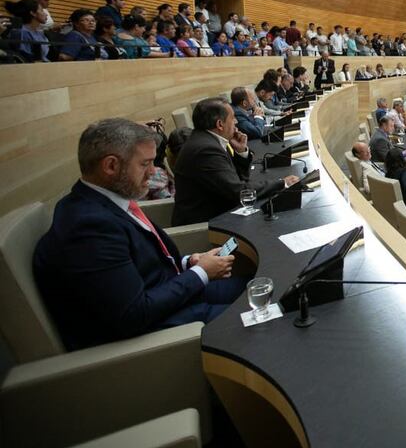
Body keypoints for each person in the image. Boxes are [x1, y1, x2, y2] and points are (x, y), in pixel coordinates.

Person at [33, 118, 245, 351]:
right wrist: (201, 272)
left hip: (169, 292)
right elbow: (132, 314)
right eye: (145, 164)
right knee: (265, 313)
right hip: (154, 331)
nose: (153, 172)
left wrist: (189, 262)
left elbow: (141, 264)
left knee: (262, 286)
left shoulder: (105, 200)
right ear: (111, 166)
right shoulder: (88, 227)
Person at [171, 98, 299, 226]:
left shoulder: (206, 140)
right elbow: (239, 192)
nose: (236, 122)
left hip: (217, 212)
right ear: (220, 124)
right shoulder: (206, 150)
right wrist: (282, 183)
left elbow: (238, 180)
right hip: (204, 225)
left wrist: (241, 152)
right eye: (232, 118)